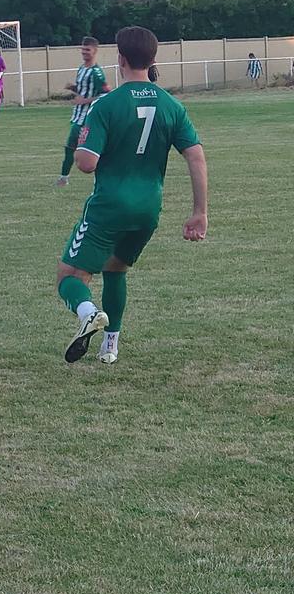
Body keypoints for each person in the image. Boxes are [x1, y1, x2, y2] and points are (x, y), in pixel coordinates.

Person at [56, 26, 208, 365]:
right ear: (152, 60)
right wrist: (200, 212)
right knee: (116, 269)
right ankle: (110, 346)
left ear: (120, 58)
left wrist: (82, 144)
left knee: (69, 276)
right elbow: (196, 156)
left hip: (110, 206)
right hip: (148, 209)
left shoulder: (106, 105)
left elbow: (86, 164)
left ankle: (88, 313)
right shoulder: (171, 105)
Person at [56, 37, 109, 187]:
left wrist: (85, 101)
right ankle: (63, 178)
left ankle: (64, 179)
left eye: (87, 49)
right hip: (78, 116)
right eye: (83, 49)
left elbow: (106, 94)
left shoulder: (96, 73)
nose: (84, 52)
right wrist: (73, 88)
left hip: (88, 117)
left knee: (80, 149)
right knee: (71, 148)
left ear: (95, 51)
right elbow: (84, 90)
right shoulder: (81, 69)